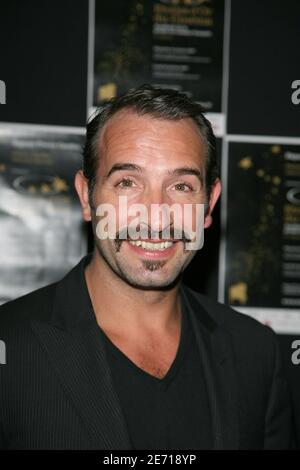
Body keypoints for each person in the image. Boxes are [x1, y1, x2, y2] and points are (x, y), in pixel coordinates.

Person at [0, 85, 292, 449]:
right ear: (86, 197)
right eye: (127, 183)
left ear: (209, 203)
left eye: (181, 186)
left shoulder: (255, 353)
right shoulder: (10, 349)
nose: (155, 216)